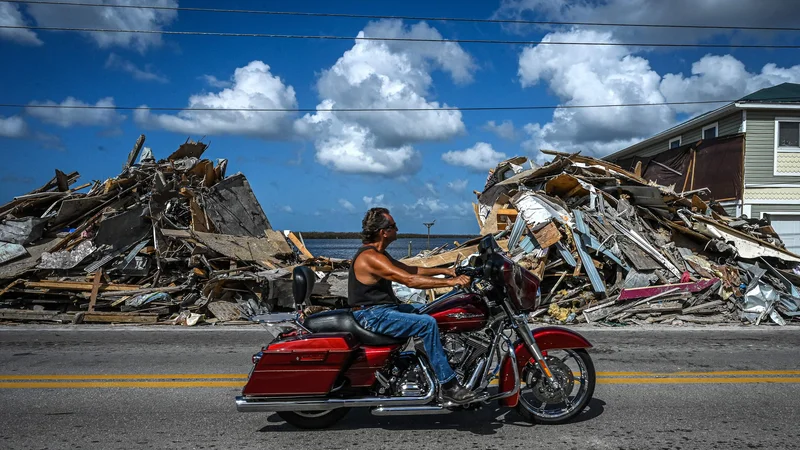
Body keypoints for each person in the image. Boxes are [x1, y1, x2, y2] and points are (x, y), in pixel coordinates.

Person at [348, 207, 475, 403]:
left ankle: (428, 363)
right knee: (427, 323)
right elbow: (409, 280)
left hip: (382, 310)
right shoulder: (371, 258)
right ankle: (449, 385)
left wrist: (447, 271)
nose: (397, 229)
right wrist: (450, 283)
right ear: (383, 232)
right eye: (393, 226)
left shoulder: (379, 254)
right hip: (372, 315)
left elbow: (409, 268)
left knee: (431, 311)